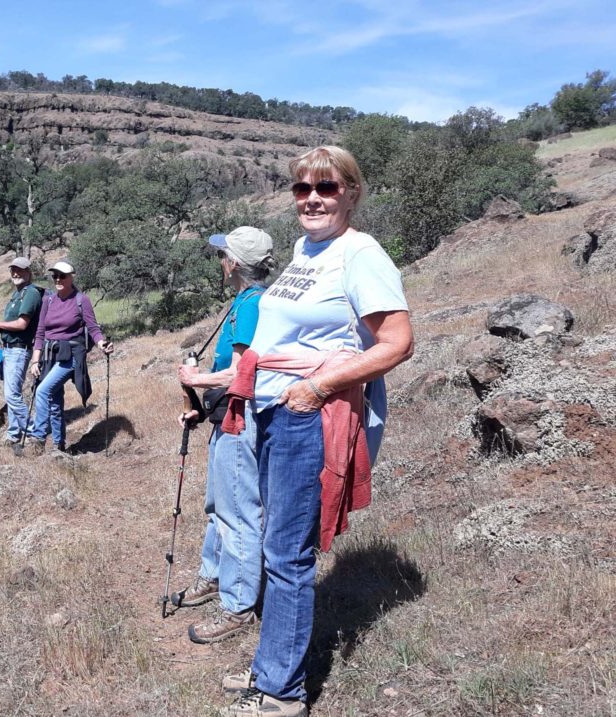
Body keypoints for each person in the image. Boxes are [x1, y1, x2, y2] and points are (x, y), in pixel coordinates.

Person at [220, 146, 413, 717]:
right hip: (275, 408)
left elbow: (396, 343)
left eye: (326, 187)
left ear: (352, 191)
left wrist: (318, 388)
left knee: (287, 554)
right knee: (276, 546)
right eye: (303, 188)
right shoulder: (309, 249)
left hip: (309, 415)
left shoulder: (360, 254)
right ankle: (271, 666)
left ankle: (282, 692)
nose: (312, 199)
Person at [173, 226, 273, 644]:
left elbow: (239, 371)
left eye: (222, 255)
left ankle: (237, 605)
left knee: (238, 515)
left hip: (239, 417)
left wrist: (196, 380)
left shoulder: (251, 305)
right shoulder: (244, 300)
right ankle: (215, 575)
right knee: (219, 505)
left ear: (233, 262)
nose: (219, 261)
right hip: (224, 415)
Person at [25, 261, 113, 454]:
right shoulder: (47, 301)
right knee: (55, 401)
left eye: (62, 276)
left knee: (42, 392)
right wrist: (35, 361)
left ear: (71, 277)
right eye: (54, 275)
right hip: (49, 355)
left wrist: (101, 344)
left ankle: (38, 439)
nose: (57, 279)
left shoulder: (82, 300)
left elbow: (93, 328)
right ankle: (59, 445)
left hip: (70, 356)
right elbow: (40, 333)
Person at [0, 257, 43, 445]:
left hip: (19, 349)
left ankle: (32, 432)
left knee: (12, 395)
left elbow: (22, 324)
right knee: (12, 394)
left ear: (28, 272)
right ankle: (13, 435)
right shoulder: (18, 294)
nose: (16, 273)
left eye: (20, 270)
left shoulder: (31, 293)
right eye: (13, 270)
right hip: (10, 349)